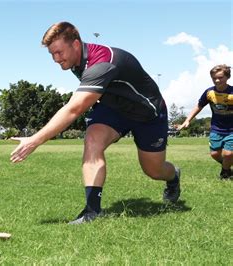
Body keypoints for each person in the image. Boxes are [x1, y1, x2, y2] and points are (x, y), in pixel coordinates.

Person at [10, 21, 181, 224]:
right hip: (113, 109)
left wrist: (34, 140)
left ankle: (173, 177)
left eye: (59, 52)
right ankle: (92, 212)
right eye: (52, 55)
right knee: (92, 140)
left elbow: (74, 108)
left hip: (147, 113)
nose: (56, 59)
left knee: (154, 170)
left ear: (75, 44)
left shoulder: (102, 63)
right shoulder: (75, 62)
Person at [177, 64, 233, 180]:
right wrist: (187, 120)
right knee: (215, 154)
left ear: (227, 77)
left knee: (228, 154)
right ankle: (227, 166)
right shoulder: (209, 93)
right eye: (214, 78)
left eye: (220, 77)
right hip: (216, 129)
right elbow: (199, 106)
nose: (217, 80)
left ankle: (225, 172)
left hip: (231, 130)